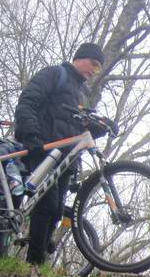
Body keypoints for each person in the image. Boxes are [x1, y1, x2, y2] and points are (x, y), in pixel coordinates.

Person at [14, 42, 105, 265]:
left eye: (98, 68)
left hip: (66, 161)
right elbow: (28, 101)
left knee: (56, 212)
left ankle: (37, 265)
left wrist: (96, 129)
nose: (93, 71)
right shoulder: (56, 74)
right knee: (46, 206)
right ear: (79, 58)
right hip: (43, 149)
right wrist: (31, 136)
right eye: (92, 63)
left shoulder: (80, 95)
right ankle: (33, 265)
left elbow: (76, 131)